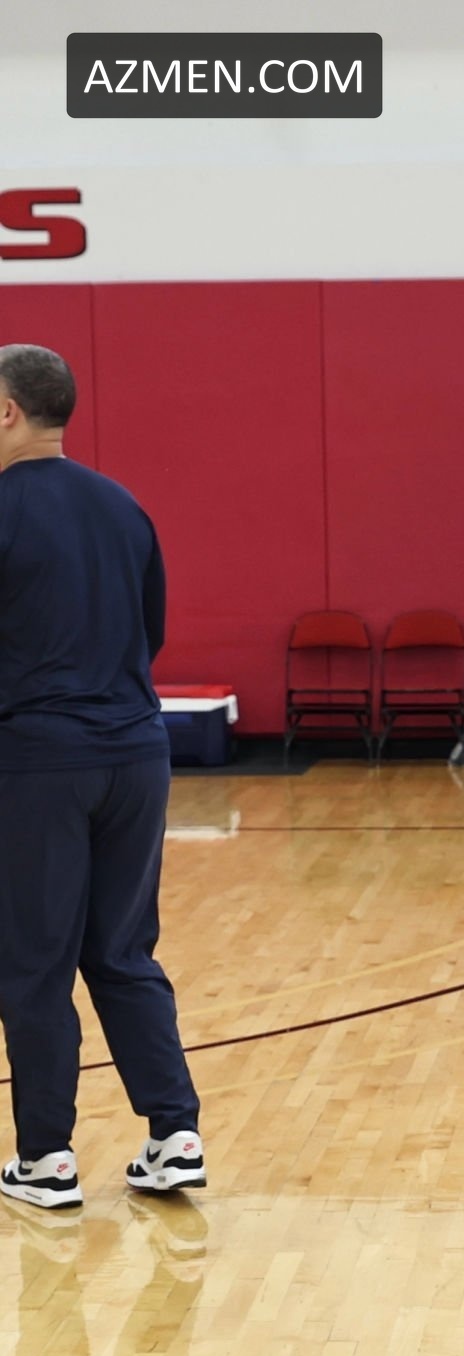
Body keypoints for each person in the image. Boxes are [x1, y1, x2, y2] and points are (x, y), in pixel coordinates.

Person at [0, 344, 204, 1211]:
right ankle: (175, 1134)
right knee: (122, 951)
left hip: (40, 762)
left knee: (34, 961)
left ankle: (46, 1157)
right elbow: (149, 632)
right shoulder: (124, 506)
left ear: (8, 411)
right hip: (137, 753)